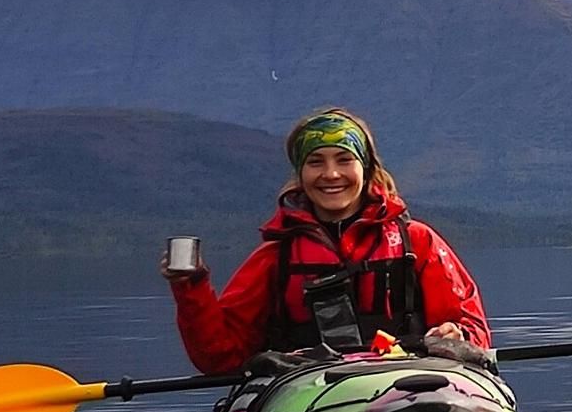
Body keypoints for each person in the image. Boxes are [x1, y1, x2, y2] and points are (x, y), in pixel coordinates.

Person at [162, 107, 490, 374]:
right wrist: (190, 288)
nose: (331, 174)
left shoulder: (417, 243)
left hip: (409, 385)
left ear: (366, 168)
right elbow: (221, 358)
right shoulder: (276, 257)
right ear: (300, 175)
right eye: (316, 162)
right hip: (311, 395)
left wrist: (456, 335)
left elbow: (475, 333)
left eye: (344, 160)